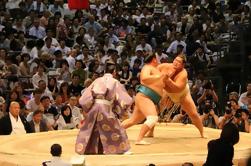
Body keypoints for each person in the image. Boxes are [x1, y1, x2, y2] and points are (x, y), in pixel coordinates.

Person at [75, 61, 133, 154]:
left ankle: (88, 149)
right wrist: (121, 109)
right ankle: (123, 149)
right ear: (114, 72)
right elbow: (123, 99)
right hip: (105, 108)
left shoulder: (97, 80)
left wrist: (88, 107)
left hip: (94, 107)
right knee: (115, 128)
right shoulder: (115, 82)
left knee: (93, 128)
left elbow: (84, 98)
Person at [121, 54, 166, 145]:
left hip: (147, 98)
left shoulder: (156, 70)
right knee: (153, 118)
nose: (159, 59)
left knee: (133, 121)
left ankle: (113, 132)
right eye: (157, 57)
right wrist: (159, 77)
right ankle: (139, 139)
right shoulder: (147, 67)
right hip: (145, 96)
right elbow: (144, 79)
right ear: (154, 59)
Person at [158, 54, 205, 138]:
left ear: (183, 65)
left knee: (193, 114)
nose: (175, 62)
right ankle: (150, 131)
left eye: (179, 62)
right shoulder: (165, 66)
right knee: (155, 108)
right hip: (167, 92)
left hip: (182, 94)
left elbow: (177, 88)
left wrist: (168, 80)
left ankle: (202, 132)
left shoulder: (183, 74)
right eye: (175, 60)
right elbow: (154, 71)